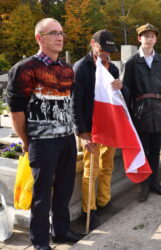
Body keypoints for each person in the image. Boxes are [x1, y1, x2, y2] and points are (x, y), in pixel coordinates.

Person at [6, 18, 83, 250]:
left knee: (64, 189)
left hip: (66, 139)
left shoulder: (66, 68)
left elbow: (70, 104)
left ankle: (61, 231)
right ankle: (39, 241)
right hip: (42, 141)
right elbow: (16, 110)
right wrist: (26, 140)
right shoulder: (25, 69)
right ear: (39, 38)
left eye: (61, 32)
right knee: (41, 195)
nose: (60, 37)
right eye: (53, 33)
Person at [72, 30, 122, 230]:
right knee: (91, 170)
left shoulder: (114, 68)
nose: (105, 55)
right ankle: (89, 210)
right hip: (90, 128)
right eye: (102, 50)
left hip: (109, 125)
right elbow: (74, 104)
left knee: (108, 166)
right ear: (93, 44)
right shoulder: (81, 68)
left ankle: (104, 200)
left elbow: (118, 97)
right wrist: (83, 133)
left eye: (109, 51)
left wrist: (121, 87)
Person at [122, 23, 161, 202]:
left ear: (156, 39)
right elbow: (126, 90)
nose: (149, 39)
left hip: (158, 111)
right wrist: (127, 116)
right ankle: (143, 185)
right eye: (145, 35)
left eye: (152, 36)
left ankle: (154, 182)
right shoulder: (132, 62)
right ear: (139, 38)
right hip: (140, 113)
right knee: (143, 150)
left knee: (155, 150)